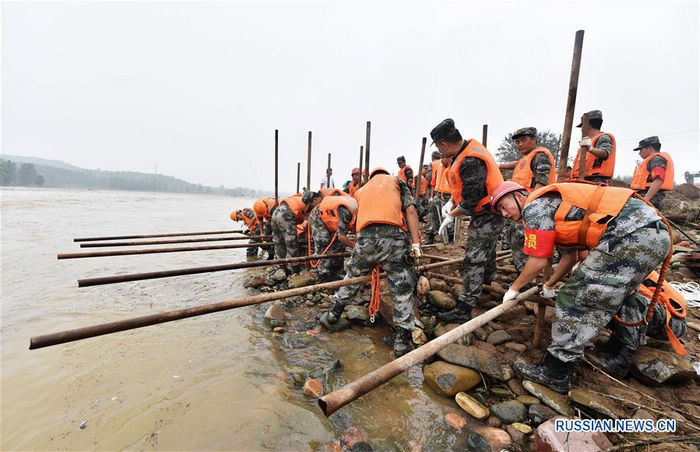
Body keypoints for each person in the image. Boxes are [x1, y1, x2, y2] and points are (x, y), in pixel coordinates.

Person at [491, 180, 671, 393]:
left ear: (519, 196)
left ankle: (557, 370)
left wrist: (514, 289)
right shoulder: (555, 208)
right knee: (617, 294)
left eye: (503, 206)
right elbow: (569, 256)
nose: (503, 213)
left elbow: (538, 259)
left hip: (631, 234)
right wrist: (549, 284)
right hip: (652, 234)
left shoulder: (534, 206)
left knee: (575, 296)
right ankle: (620, 348)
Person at [322, 167, 422, 358]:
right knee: (401, 287)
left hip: (365, 238)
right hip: (393, 237)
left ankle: (334, 313)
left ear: (372, 177)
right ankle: (402, 340)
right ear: (385, 174)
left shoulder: (361, 190)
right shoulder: (396, 182)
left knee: (353, 276)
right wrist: (416, 244)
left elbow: (362, 219)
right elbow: (410, 210)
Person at [431, 118, 505, 322]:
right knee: (486, 250)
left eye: (438, 146)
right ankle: (487, 285)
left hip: (489, 213)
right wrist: (452, 202)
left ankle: (465, 307)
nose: (439, 150)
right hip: (487, 211)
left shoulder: (471, 160)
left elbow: (472, 199)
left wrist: (452, 214)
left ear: (444, 144)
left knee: (473, 257)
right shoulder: (463, 154)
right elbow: (464, 190)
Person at [584, 270, 687, 378]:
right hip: (657, 313)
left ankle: (621, 362)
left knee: (632, 301)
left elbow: (629, 291)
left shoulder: (635, 266)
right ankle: (616, 343)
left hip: (673, 322)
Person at [498, 127, 556, 271]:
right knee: (517, 240)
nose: (520, 144)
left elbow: (541, 183)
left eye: (523, 140)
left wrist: (529, 207)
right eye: (517, 142)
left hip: (531, 208)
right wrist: (498, 165)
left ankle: (525, 279)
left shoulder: (540, 156)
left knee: (524, 241)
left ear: (534, 140)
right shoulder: (526, 158)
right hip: (522, 207)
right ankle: (522, 272)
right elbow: (514, 164)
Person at [309, 193, 358, 282]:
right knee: (324, 242)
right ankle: (322, 274)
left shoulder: (357, 211)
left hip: (332, 218)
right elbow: (342, 236)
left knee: (340, 246)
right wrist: (356, 247)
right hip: (319, 216)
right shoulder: (346, 212)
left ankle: (337, 271)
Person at [271, 191, 323, 274]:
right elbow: (305, 225)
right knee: (291, 241)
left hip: (276, 211)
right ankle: (294, 267)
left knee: (278, 241)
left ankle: (281, 265)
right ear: (315, 199)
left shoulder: (302, 198)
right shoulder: (310, 206)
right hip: (285, 214)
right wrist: (307, 236)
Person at [570, 110, 616, 184]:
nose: (581, 130)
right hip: (584, 179)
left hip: (595, 180)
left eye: (582, 127)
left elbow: (605, 153)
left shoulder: (603, 137)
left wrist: (590, 149)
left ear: (587, 126)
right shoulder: (588, 142)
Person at [630, 136, 674, 210]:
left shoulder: (657, 159)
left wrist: (646, 200)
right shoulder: (652, 160)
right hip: (648, 196)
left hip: (653, 197)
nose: (639, 153)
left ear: (650, 148)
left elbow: (659, 179)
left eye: (641, 150)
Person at [427, 155, 453, 244]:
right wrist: (432, 196)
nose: (442, 160)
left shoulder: (454, 168)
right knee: (434, 215)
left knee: (448, 217)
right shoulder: (439, 168)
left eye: (445, 157)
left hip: (449, 196)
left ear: (450, 158)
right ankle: (432, 233)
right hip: (438, 194)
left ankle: (451, 237)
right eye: (442, 157)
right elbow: (433, 183)